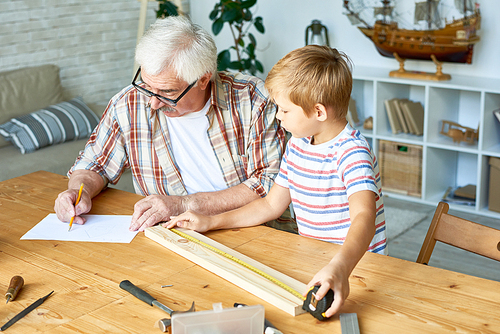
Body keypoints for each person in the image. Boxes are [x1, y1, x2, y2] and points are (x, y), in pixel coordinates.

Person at [166, 45, 387, 317]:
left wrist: (340, 266)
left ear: (318, 112)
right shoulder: (298, 144)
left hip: (356, 267)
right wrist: (211, 221)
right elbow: (270, 205)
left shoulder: (352, 153)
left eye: (284, 110)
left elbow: (364, 216)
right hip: (316, 260)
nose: (278, 117)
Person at [54, 16, 292, 232]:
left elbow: (269, 182)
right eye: (147, 85)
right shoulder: (128, 103)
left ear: (203, 79)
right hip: (170, 234)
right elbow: (94, 164)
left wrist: (184, 204)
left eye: (167, 92)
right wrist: (78, 191)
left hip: (252, 229)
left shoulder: (253, 100)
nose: (153, 103)